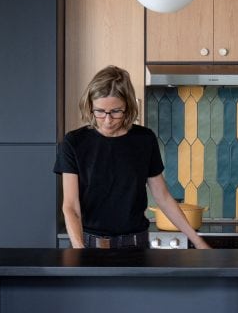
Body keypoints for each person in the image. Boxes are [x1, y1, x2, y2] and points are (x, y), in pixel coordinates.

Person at [54, 66, 210, 249]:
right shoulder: (74, 142)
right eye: (100, 111)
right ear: (90, 106)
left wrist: (198, 242)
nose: (107, 120)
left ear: (127, 106)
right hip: (88, 244)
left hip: (136, 245)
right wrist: (79, 250)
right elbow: (71, 206)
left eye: (115, 111)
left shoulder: (144, 140)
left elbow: (163, 198)